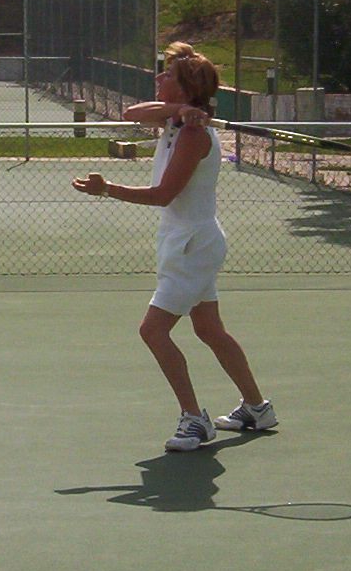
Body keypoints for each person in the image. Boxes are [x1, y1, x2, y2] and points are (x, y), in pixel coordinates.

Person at [72, 42, 275, 452]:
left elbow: (163, 195)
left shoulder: (194, 136)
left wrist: (107, 189)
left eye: (168, 76)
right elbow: (131, 113)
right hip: (187, 241)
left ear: (185, 88)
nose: (158, 78)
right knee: (209, 329)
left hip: (192, 246)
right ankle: (257, 408)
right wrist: (178, 109)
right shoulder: (176, 121)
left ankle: (194, 420)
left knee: (152, 331)